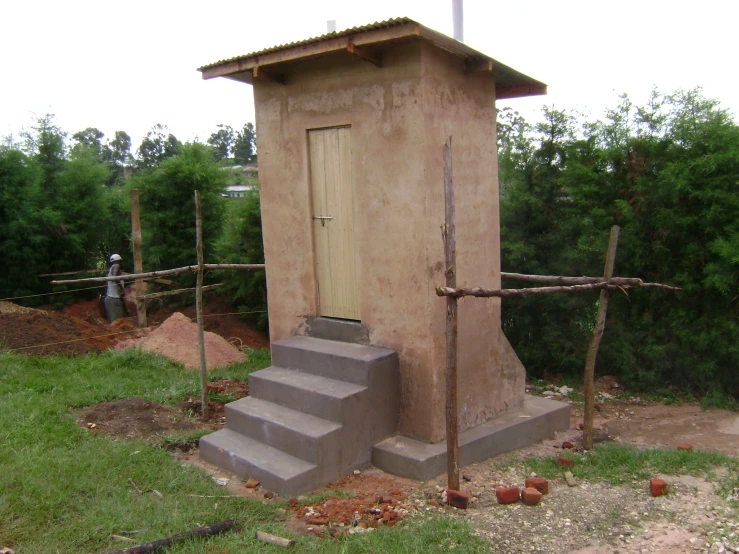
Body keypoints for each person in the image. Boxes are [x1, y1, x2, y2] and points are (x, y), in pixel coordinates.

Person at [104, 254, 126, 323]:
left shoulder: (111, 269)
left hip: (110, 299)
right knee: (117, 323)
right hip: (113, 299)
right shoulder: (116, 265)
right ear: (119, 261)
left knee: (113, 323)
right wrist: (121, 289)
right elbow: (115, 277)